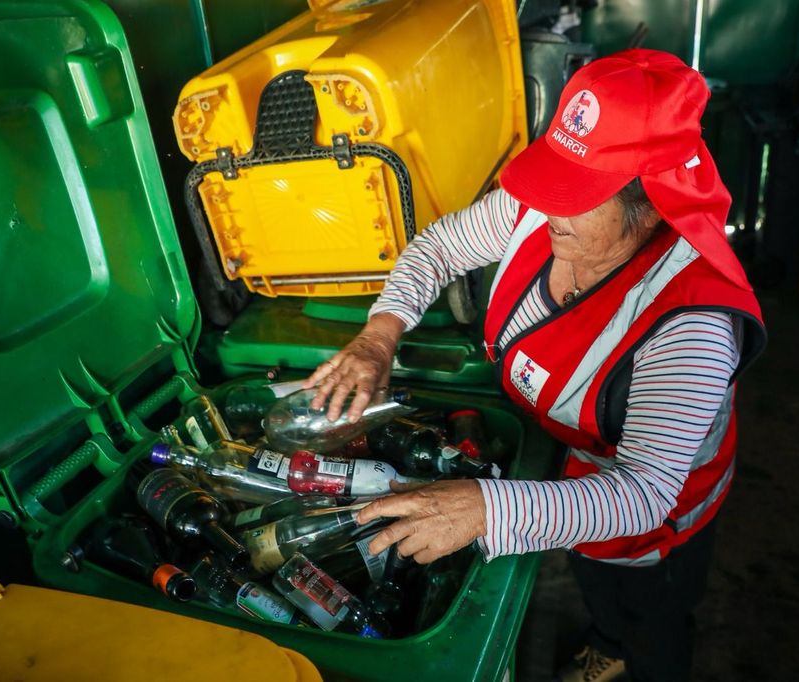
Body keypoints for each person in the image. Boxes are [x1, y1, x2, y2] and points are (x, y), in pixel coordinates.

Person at [305, 49, 766, 682]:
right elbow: (438, 248)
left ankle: (631, 652)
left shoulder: (692, 323)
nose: (547, 210)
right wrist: (379, 336)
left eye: (575, 196)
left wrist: (486, 510)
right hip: (565, 460)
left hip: (652, 514)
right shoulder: (539, 208)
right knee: (589, 574)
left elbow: (644, 494)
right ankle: (606, 639)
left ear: (654, 202)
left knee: (645, 610)